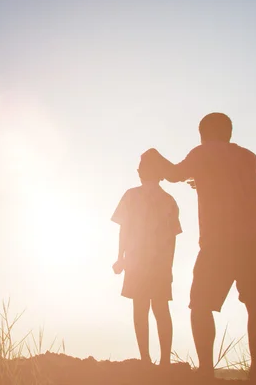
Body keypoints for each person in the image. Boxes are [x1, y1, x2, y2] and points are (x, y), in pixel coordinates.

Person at [142, 112, 256, 383]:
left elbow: (176, 174)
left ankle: (205, 372)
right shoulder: (250, 158)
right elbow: (230, 183)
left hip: (220, 244)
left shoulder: (203, 153)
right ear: (229, 133)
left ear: (203, 133)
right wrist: (201, 181)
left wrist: (155, 156)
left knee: (200, 307)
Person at [111, 154, 182, 366]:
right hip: (159, 263)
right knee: (161, 309)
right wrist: (169, 266)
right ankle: (166, 361)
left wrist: (120, 257)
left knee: (140, 309)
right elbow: (172, 239)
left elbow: (124, 229)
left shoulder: (131, 196)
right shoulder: (169, 200)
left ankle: (145, 359)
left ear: (141, 172)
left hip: (136, 261)